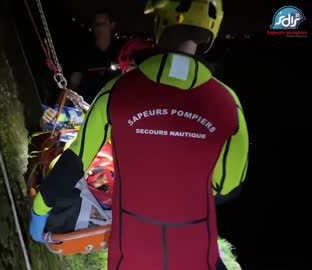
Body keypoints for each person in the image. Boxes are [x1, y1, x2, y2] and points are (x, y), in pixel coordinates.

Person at [30, 0, 249, 269]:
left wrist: (40, 210)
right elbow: (229, 185)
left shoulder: (117, 90)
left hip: (131, 252)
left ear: (159, 23)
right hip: (194, 251)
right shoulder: (229, 104)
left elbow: (75, 161)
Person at [68, 9, 123, 104]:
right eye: (97, 24)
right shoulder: (84, 53)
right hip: (89, 106)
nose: (100, 27)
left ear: (112, 25)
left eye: (103, 24)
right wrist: (57, 108)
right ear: (93, 27)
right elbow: (73, 84)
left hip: (116, 105)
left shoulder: (122, 51)